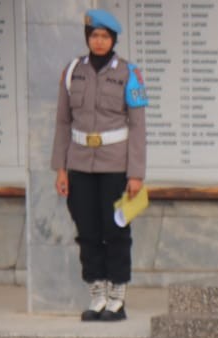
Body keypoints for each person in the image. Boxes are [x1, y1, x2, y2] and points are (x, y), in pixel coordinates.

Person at [51, 9, 147, 322]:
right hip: (79, 164)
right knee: (88, 231)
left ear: (113, 40)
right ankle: (97, 295)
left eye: (105, 36)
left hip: (116, 165)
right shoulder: (72, 71)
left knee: (116, 230)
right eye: (94, 35)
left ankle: (117, 297)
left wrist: (136, 174)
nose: (100, 41)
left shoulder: (129, 73)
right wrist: (61, 168)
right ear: (87, 38)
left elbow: (138, 127)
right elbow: (63, 122)